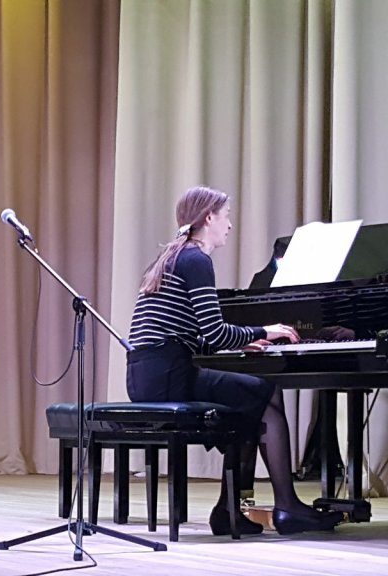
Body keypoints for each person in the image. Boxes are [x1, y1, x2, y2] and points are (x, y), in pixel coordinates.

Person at [126, 186, 343, 536]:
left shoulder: (170, 257)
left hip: (147, 374)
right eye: (226, 216)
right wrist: (266, 330)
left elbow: (188, 334)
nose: (229, 225)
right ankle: (286, 505)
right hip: (170, 376)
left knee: (248, 400)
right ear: (209, 217)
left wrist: (246, 339)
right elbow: (215, 333)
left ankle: (229, 510)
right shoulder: (196, 260)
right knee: (266, 392)